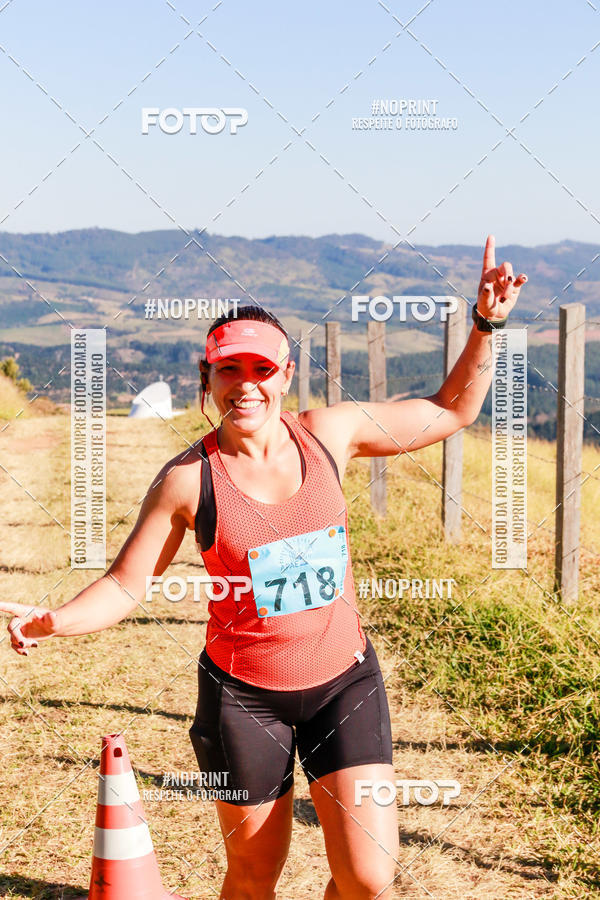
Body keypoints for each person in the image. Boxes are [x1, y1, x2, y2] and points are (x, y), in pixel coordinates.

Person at [1, 235, 526, 899]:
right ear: (209, 378)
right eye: (229, 370)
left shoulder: (330, 434)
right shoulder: (188, 481)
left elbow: (452, 409)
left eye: (260, 369)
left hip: (344, 683)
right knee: (253, 878)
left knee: (367, 878)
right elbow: (126, 584)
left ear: (284, 375)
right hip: (244, 700)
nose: (245, 384)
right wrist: (58, 620)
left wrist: (486, 323)